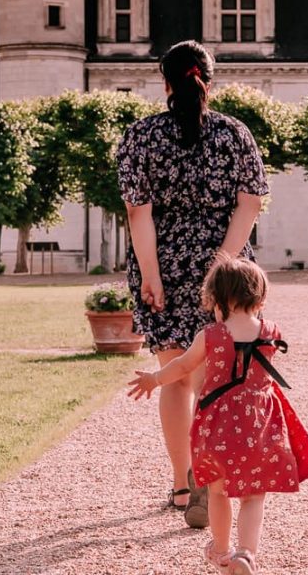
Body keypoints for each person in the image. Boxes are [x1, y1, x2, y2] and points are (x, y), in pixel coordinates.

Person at [117, 40, 269, 528]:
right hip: (222, 266)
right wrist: (221, 265)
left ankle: (183, 486)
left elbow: (139, 215)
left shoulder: (140, 137)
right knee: (213, 378)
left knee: (175, 376)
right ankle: (212, 479)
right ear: (208, 78)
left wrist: (152, 275)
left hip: (163, 263)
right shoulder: (234, 133)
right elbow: (249, 205)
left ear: (165, 82)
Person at [128, 258, 308, 574]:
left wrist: (154, 379)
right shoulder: (271, 332)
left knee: (218, 493)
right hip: (259, 427)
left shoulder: (210, 335)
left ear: (215, 301)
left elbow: (182, 367)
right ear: (260, 300)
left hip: (218, 429)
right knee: (253, 494)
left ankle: (220, 550)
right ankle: (245, 554)